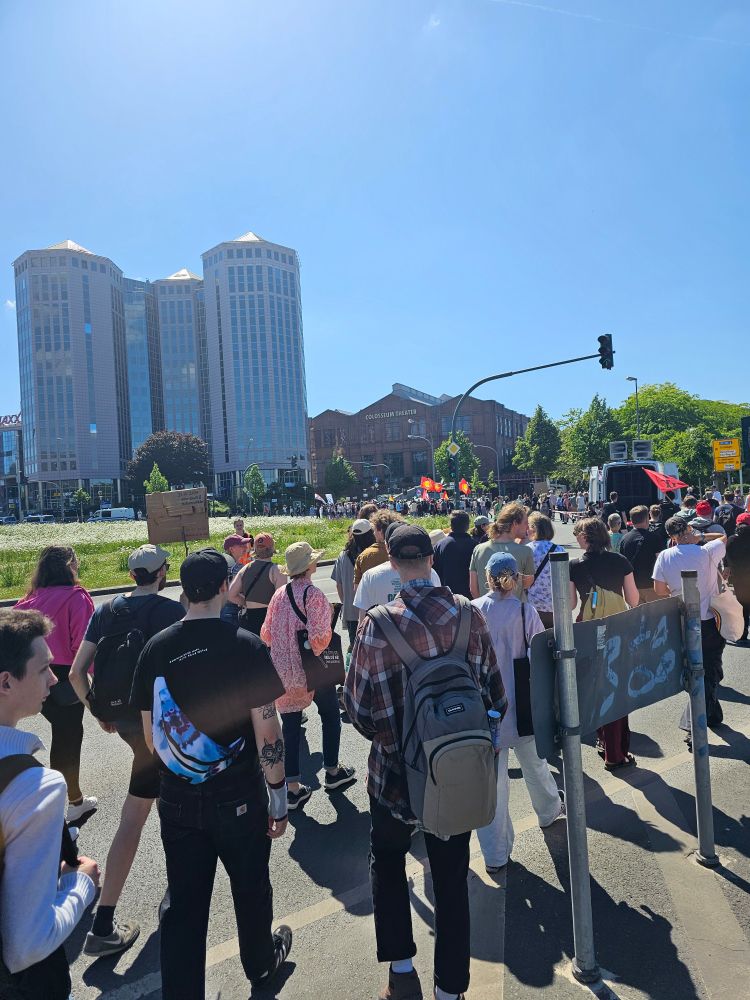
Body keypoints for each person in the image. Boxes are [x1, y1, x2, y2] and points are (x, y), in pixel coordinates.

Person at [344, 524, 505, 1000]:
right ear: (431, 560)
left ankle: (401, 971)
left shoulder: (377, 625)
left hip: (393, 777)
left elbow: (358, 711)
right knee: (451, 879)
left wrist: (395, 737)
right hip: (456, 775)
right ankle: (450, 990)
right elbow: (496, 696)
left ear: (392, 563)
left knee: (388, 862)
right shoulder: (467, 615)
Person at [131, 548, 293, 1000]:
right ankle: (260, 965)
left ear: (182, 589)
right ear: (224, 586)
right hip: (239, 796)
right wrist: (278, 796)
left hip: (178, 799)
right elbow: (267, 729)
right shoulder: (245, 645)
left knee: (184, 902)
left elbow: (151, 736)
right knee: (251, 885)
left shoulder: (156, 648)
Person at [69, 544, 185, 957]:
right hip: (162, 728)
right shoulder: (170, 611)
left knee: (139, 813)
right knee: (158, 812)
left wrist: (98, 709)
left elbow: (76, 672)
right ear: (162, 573)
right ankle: (171, 898)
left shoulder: (107, 610)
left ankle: (106, 920)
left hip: (126, 724)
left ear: (133, 574)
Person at [0, 608, 100, 999]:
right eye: (43, 669)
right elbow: (27, 945)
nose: (54, 678)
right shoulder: (33, 786)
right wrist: (80, 884)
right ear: (6, 682)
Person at [472, 552, 564, 873]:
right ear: (516, 578)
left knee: (492, 785)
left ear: (488, 578)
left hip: (487, 708)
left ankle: (495, 855)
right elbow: (538, 660)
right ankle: (549, 811)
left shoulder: (473, 610)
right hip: (522, 706)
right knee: (535, 765)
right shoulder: (526, 612)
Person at [261, 542, 356, 810]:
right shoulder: (313, 595)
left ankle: (292, 789)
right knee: (329, 715)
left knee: (290, 728)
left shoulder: (279, 594)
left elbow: (265, 634)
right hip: (312, 671)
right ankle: (333, 771)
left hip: (283, 672)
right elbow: (318, 640)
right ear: (310, 566)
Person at [14, 546, 96, 824]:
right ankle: (71, 802)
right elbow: (84, 645)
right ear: (70, 566)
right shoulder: (76, 597)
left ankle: (61, 799)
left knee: (55, 733)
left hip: (29, 673)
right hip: (64, 675)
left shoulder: (28, 600)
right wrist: (97, 684)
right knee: (68, 736)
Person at [569, 518, 639, 770]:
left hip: (589, 630)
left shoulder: (574, 565)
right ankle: (616, 752)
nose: (576, 538)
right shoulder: (620, 561)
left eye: (578, 534)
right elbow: (633, 599)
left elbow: (569, 604)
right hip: (618, 629)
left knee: (595, 685)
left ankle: (603, 739)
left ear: (586, 537)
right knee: (616, 686)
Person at [653, 517, 727, 734]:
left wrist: (676, 591)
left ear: (670, 536)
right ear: (689, 528)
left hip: (683, 618)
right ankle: (694, 723)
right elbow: (723, 537)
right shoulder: (706, 551)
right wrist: (700, 536)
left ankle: (711, 713)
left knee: (694, 668)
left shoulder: (665, 556)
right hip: (710, 619)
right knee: (710, 667)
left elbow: (659, 590)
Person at [469, 503, 535, 600]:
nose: (528, 527)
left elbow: (473, 589)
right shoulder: (525, 551)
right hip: (515, 608)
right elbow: (527, 583)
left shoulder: (478, 549)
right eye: (525, 523)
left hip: (486, 608)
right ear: (515, 523)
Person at [227, 533, 286, 635]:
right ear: (272, 548)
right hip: (268, 620)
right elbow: (281, 603)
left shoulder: (245, 569)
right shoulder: (277, 570)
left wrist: (246, 602)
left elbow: (230, 594)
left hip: (249, 619)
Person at [332, 519, 376, 648]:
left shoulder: (342, 556)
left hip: (351, 612)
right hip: (373, 610)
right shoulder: (374, 555)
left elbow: (338, 585)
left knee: (356, 648)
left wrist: (346, 603)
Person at [619, 505, 666, 604]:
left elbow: (622, 564)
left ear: (631, 520)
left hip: (632, 587)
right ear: (646, 519)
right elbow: (661, 563)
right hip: (652, 586)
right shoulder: (655, 538)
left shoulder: (624, 539)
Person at [526, 512, 563, 628]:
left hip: (533, 606)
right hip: (555, 606)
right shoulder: (559, 549)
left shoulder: (527, 550)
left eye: (528, 526)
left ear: (534, 529)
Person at [432, 511, 476, 599]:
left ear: (451, 526)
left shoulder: (440, 545)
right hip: (470, 597)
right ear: (468, 526)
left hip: (447, 597)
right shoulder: (476, 546)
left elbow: (434, 572)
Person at [354, 510, 403, 589]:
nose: (373, 533)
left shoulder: (364, 556)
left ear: (380, 531)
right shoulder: (405, 551)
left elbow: (357, 589)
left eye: (374, 530)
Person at [725, 512, 750, 642]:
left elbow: (727, 559)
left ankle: (742, 633)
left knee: (743, 606)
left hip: (738, 578)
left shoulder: (731, 540)